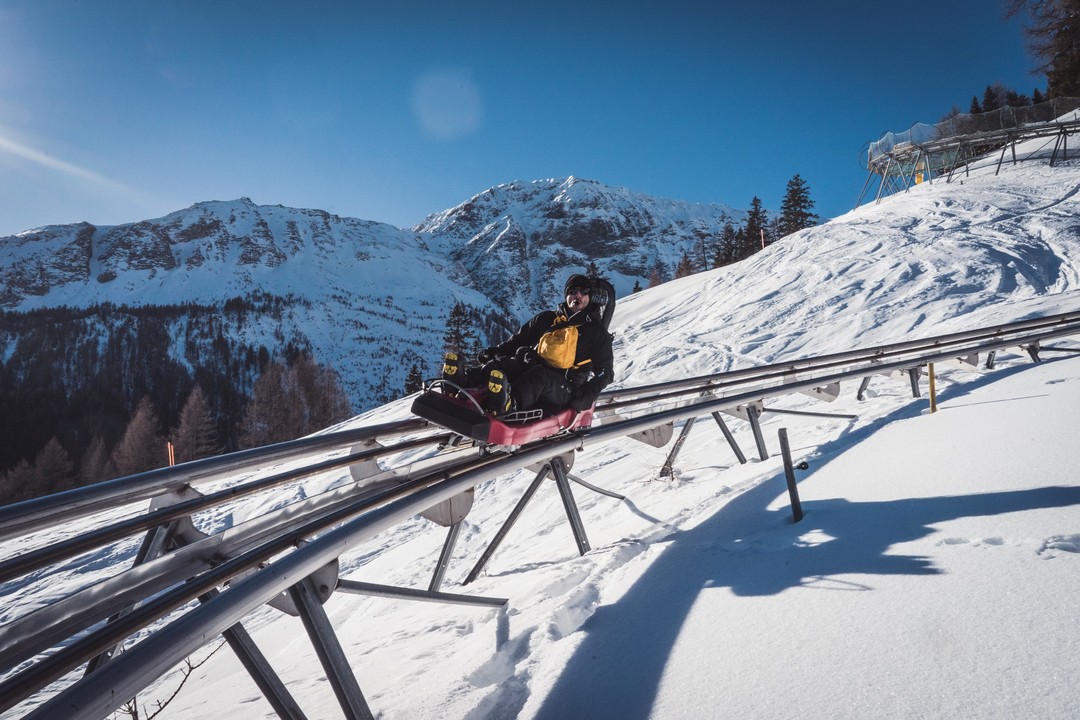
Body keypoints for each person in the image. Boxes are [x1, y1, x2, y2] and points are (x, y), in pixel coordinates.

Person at [442, 273, 615, 416]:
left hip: (567, 387)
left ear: (589, 297)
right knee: (505, 364)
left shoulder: (595, 332)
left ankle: (509, 404)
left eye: (583, 292)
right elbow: (519, 340)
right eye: (573, 291)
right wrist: (495, 352)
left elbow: (606, 372)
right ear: (566, 295)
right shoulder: (548, 318)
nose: (578, 295)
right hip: (537, 369)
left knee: (539, 376)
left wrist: (588, 394)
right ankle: (462, 381)